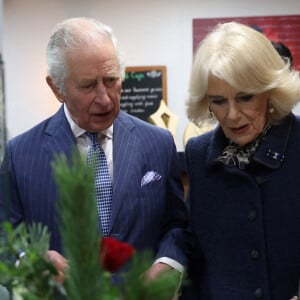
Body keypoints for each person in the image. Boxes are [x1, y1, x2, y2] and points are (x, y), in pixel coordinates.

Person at [0, 17, 189, 290]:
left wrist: (168, 264)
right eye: (88, 85)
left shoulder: (158, 143)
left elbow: (177, 225)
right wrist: (32, 260)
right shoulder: (21, 155)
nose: (105, 98)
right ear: (56, 88)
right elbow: (6, 239)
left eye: (111, 80)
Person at [181, 21, 300, 300]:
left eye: (245, 98)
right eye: (218, 101)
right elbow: (196, 253)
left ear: (270, 90)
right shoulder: (199, 154)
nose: (232, 115)